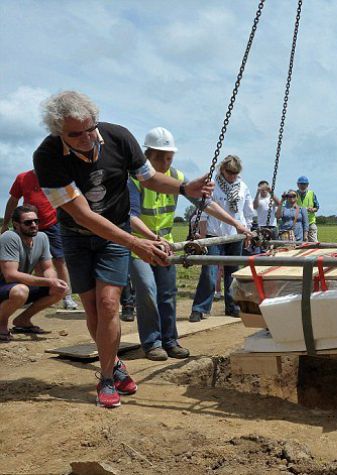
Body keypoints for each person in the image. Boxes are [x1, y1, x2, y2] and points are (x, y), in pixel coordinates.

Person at [33, 91, 213, 408]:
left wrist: (184, 188)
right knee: (92, 309)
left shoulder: (119, 138)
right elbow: (83, 214)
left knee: (108, 304)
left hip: (114, 236)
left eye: (90, 128)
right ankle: (114, 363)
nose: (87, 138)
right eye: (75, 134)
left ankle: (104, 378)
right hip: (77, 236)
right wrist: (135, 243)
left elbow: (149, 178)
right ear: (59, 131)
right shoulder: (47, 156)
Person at [129, 127, 251, 360]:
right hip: (139, 246)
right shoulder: (135, 179)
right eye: (160, 158)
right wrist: (153, 238)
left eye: (169, 158)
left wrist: (237, 224)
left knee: (167, 293)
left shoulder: (176, 178)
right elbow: (130, 215)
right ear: (147, 155)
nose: (165, 163)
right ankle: (152, 342)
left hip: (165, 244)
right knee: (147, 290)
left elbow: (207, 204)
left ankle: (170, 341)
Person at [2, 170, 78, 310]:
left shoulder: (55, 176)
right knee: (34, 261)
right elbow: (13, 200)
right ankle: (33, 295)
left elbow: (69, 200)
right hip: (27, 225)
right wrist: (6, 223)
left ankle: (67, 297)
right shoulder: (23, 178)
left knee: (59, 260)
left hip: (52, 224)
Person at [190, 155, 254, 321]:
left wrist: (248, 231)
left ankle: (232, 307)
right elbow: (203, 210)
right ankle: (200, 308)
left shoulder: (243, 187)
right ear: (222, 169)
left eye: (235, 173)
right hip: (214, 234)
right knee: (209, 272)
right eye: (229, 172)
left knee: (232, 272)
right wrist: (202, 236)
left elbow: (247, 213)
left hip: (235, 234)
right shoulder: (212, 185)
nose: (232, 176)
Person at [0, 205, 68, 341]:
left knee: (61, 289)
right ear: (16, 224)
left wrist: (52, 281)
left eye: (36, 221)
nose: (33, 225)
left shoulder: (41, 237)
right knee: (20, 291)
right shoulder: (9, 237)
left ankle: (22, 321)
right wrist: (49, 281)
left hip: (17, 286)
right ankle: (1, 324)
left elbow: (48, 267)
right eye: (28, 222)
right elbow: (10, 275)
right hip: (5, 285)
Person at [295, 176, 319, 242]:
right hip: (299, 223)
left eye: (304, 184)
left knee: (314, 242)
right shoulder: (294, 194)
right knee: (298, 243)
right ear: (297, 185)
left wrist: (313, 209)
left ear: (307, 185)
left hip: (310, 222)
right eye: (301, 184)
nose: (303, 186)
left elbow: (317, 207)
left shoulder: (312, 194)